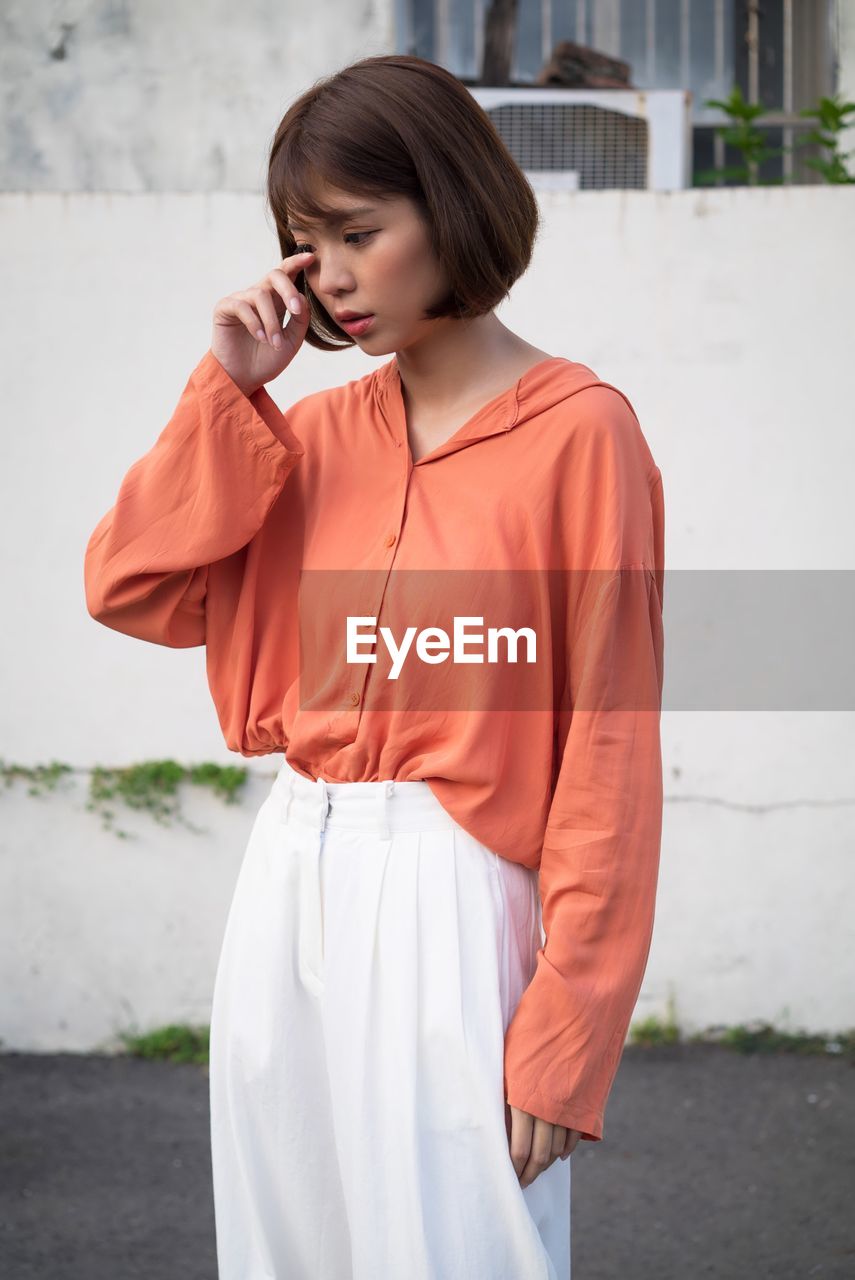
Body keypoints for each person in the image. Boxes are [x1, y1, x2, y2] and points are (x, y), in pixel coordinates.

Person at [83, 53, 665, 1280]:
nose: (333, 277)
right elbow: (131, 585)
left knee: (460, 1254)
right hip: (289, 873)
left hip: (455, 897)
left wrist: (571, 1032)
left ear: (452, 203)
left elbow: (608, 746)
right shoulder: (299, 435)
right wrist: (225, 393)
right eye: (308, 243)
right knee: (287, 1249)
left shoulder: (582, 436)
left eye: (359, 231)